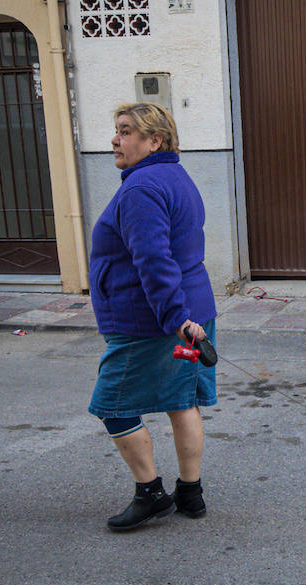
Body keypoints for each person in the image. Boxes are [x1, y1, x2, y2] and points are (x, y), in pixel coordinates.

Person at [87, 102, 217, 531]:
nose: (114, 139)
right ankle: (191, 493)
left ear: (154, 140)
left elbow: (154, 261)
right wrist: (184, 317)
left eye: (125, 131)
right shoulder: (176, 176)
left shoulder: (141, 188)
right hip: (190, 316)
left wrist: (175, 318)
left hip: (152, 324)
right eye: (117, 130)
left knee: (113, 405)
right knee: (183, 402)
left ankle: (150, 493)